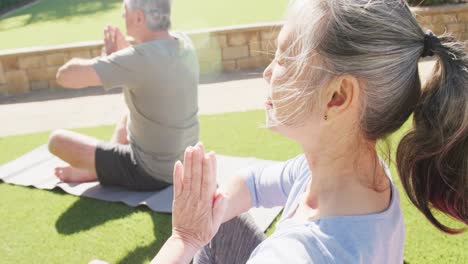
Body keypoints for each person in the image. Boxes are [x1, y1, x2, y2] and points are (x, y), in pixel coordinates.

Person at [149, 0, 467, 263]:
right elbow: (252, 183)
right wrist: (213, 210)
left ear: (337, 97)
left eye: (286, 58)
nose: (268, 72)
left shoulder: (288, 256)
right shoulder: (359, 175)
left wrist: (185, 239)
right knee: (222, 221)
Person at [48, 0, 199, 191]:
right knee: (129, 112)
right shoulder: (184, 42)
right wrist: (121, 56)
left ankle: (96, 170)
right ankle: (103, 166)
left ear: (138, 17)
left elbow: (65, 76)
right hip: (186, 164)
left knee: (56, 141)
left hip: (152, 173)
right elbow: (147, 69)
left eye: (125, 11)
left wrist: (107, 60)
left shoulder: (138, 59)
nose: (122, 16)